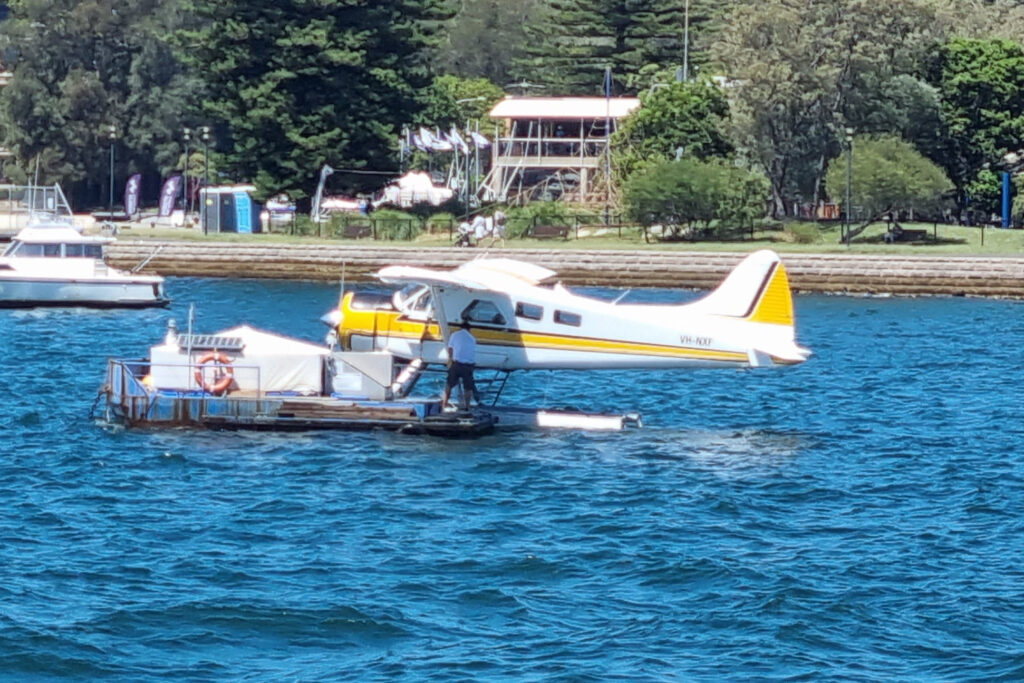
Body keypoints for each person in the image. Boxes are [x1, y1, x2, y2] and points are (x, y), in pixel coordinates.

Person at [440, 321, 479, 411]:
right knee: (467, 387)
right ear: (469, 329)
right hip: (468, 365)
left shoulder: (455, 335)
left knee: (449, 384)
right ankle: (467, 407)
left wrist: (450, 359)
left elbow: (450, 349)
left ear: (461, 327)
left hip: (457, 364)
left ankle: (444, 404)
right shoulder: (472, 338)